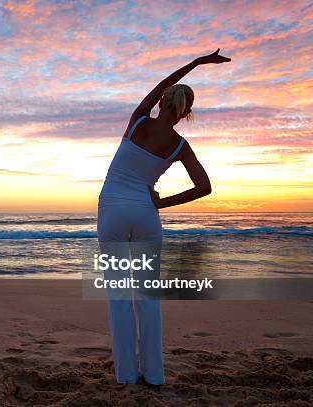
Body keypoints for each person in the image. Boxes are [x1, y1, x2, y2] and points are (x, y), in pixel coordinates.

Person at [97, 48, 231, 386]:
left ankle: (126, 376)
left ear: (162, 102)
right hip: (145, 213)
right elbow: (204, 187)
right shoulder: (179, 145)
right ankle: (154, 376)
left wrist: (197, 63)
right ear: (186, 114)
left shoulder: (139, 120)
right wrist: (161, 204)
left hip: (112, 210)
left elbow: (162, 82)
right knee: (147, 297)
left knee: (119, 296)